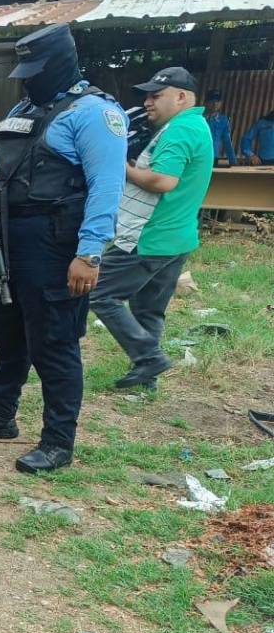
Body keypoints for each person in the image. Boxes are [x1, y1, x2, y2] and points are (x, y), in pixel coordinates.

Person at [0, 23, 128, 473]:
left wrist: (89, 254)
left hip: (56, 245)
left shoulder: (94, 113)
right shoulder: (25, 108)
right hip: (10, 241)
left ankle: (57, 442)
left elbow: (107, 187)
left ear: (61, 63)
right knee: (7, 333)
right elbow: (2, 164)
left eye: (34, 70)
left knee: (54, 343)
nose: (26, 79)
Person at [90, 67, 214, 391]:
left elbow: (162, 181)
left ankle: (147, 356)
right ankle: (147, 379)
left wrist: (123, 167)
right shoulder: (195, 125)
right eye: (147, 96)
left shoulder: (180, 130)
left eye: (156, 96)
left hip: (149, 236)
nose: (147, 102)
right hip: (177, 237)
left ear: (181, 97)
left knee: (100, 293)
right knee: (149, 308)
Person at [203, 90, 237, 167]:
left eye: (218, 101)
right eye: (212, 101)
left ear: (221, 103)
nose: (215, 104)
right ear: (206, 102)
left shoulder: (223, 120)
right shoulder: (199, 119)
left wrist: (233, 161)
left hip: (214, 158)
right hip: (198, 157)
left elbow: (227, 142)